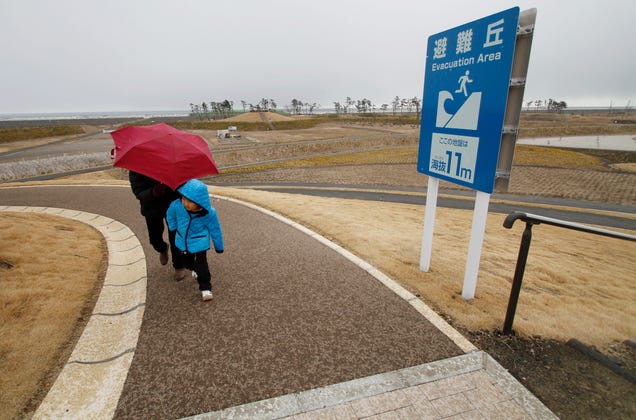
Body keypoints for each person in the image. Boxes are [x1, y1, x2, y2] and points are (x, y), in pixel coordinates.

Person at [166, 178, 224, 301]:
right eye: (183, 198)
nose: (185, 203)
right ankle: (193, 269)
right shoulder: (177, 205)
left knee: (202, 265)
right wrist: (173, 226)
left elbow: (215, 229)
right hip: (182, 241)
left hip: (200, 242)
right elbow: (170, 214)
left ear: (200, 201)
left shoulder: (209, 213)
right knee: (187, 263)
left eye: (189, 201)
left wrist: (219, 246)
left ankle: (205, 287)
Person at [129, 171, 187, 280]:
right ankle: (162, 248)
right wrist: (153, 192)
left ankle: (179, 266)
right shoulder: (137, 168)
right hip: (151, 207)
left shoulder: (170, 162)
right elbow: (138, 191)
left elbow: (183, 183)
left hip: (172, 204)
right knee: (154, 239)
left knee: (175, 236)